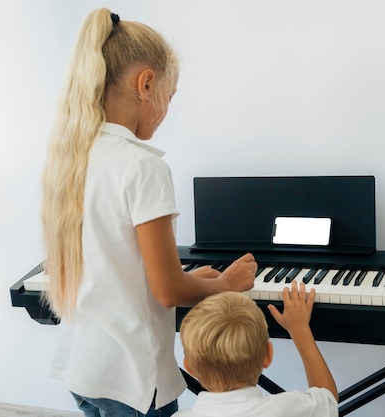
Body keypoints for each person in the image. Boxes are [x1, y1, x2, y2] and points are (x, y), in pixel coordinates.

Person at [41, 8, 257, 417]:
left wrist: (185, 277)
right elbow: (168, 291)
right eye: (169, 97)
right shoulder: (143, 166)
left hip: (85, 369)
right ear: (146, 83)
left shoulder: (75, 156)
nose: (167, 110)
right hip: (132, 381)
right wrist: (226, 283)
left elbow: (118, 268)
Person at [175, 281, 339, 417]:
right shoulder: (288, 409)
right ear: (268, 355)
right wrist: (299, 329)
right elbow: (328, 397)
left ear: (189, 366)